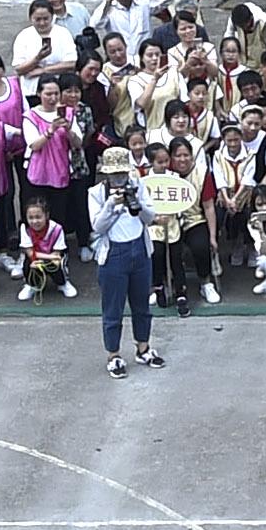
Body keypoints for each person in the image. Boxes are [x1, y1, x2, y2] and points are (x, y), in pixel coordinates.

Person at [90, 145, 163, 375]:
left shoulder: (138, 185)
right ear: (107, 174)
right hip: (113, 255)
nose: (119, 179)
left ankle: (143, 348)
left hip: (139, 250)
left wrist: (136, 204)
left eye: (122, 174)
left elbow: (150, 217)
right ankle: (113, 355)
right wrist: (112, 205)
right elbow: (98, 227)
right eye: (114, 175)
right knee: (113, 308)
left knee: (142, 304)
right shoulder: (96, 193)